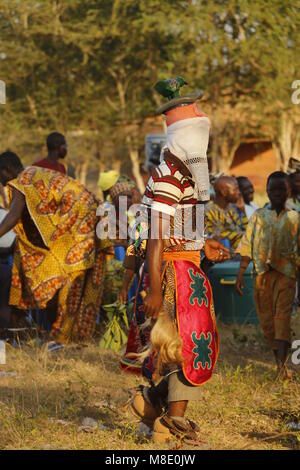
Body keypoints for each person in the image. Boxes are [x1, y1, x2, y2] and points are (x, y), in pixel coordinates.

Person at [126, 77, 230, 444]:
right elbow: (156, 235)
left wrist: (204, 245)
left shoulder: (183, 172)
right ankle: (171, 420)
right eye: (197, 114)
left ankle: (154, 407)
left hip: (185, 267)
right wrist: (155, 289)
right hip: (172, 275)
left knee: (183, 347)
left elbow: (178, 229)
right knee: (182, 346)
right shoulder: (171, 174)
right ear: (189, 135)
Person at [0, 151, 112, 345]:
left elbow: (13, 217)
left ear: (6, 170)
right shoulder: (35, 173)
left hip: (78, 223)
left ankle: (62, 335)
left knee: (70, 277)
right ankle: (71, 335)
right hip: (91, 218)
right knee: (76, 277)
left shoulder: (21, 181)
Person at [235, 171, 300, 379]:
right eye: (273, 190)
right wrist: (240, 273)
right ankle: (277, 361)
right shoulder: (258, 217)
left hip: (287, 276)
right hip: (261, 276)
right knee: (267, 322)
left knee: (282, 319)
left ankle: (281, 367)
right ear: (268, 192)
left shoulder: (295, 218)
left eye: (282, 189)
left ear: (289, 191)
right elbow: (247, 244)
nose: (277, 194)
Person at [205, 176, 248, 250]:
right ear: (224, 192)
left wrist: (243, 210)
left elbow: (248, 229)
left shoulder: (234, 207)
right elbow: (216, 236)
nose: (239, 192)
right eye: (235, 190)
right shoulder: (208, 211)